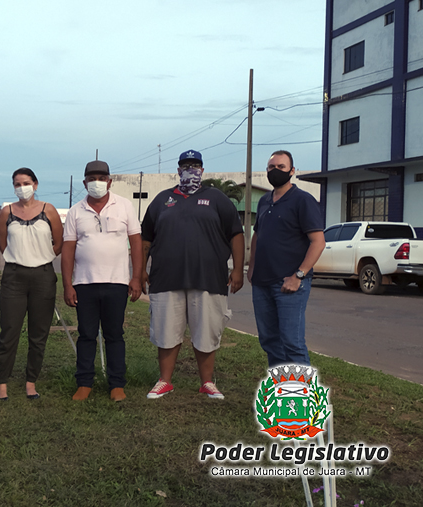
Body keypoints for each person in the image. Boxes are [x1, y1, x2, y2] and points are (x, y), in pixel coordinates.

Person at [140, 149, 245, 400]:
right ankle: (164, 381)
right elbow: (145, 237)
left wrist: (238, 269)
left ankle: (207, 382)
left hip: (208, 278)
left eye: (195, 165)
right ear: (178, 170)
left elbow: (236, 234)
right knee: (166, 332)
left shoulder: (217, 198)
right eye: (186, 165)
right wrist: (140, 270)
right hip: (166, 279)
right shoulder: (162, 200)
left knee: (206, 332)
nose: (191, 169)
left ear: (202, 170)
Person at [61, 160, 143, 402]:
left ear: (110, 181)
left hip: (116, 282)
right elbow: (68, 249)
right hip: (85, 284)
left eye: (101, 178)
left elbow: (136, 243)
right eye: (91, 179)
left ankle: (117, 384)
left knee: (114, 334)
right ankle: (84, 383)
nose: (96, 183)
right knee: (86, 334)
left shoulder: (124, 206)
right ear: (85, 182)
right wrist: (68, 285)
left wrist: (135, 277)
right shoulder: (76, 211)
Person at [248, 150, 326, 366]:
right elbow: (257, 235)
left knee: (292, 343)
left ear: (292, 171)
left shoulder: (303, 200)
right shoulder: (264, 201)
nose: (275, 171)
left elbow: (318, 242)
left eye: (281, 167)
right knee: (270, 341)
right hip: (262, 283)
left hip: (289, 284)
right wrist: (252, 267)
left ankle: (303, 397)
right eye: (271, 167)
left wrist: (298, 275)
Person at [0, 168, 64, 401]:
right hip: (14, 276)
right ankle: (2, 384)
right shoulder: (7, 212)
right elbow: (3, 244)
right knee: (9, 331)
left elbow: (59, 242)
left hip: (43, 276)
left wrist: (41, 257)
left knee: (38, 333)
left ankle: (31, 382)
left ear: (35, 184)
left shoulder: (49, 210)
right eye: (17, 184)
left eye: (25, 183)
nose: (21, 187)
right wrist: (21, 259)